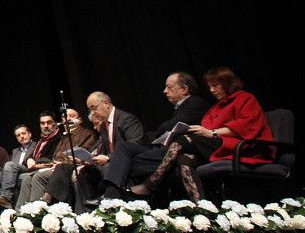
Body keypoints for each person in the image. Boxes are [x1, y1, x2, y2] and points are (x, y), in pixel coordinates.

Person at [130, 67, 273, 201]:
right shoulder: (217, 106)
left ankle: (151, 183)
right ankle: (203, 209)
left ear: (227, 83)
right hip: (218, 146)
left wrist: (212, 133)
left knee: (183, 139)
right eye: (210, 86)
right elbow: (207, 127)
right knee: (184, 159)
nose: (212, 90)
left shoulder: (245, 98)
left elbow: (247, 125)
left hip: (242, 147)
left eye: (215, 85)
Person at [97, 72, 210, 200]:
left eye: (169, 87)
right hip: (163, 150)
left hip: (177, 152)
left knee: (125, 162)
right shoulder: (180, 107)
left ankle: (113, 197)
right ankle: (113, 193)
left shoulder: (195, 103)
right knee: (124, 148)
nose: (165, 91)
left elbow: (172, 125)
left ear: (184, 89)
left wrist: (157, 132)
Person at [16, 108, 97, 206]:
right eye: (64, 117)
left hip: (72, 166)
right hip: (57, 166)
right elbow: (56, 155)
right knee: (27, 179)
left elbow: (84, 154)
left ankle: (38, 209)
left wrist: (60, 163)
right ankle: (20, 212)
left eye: (72, 116)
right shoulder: (64, 137)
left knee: (38, 177)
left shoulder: (86, 133)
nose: (67, 119)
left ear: (79, 119)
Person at [0, 124, 34, 210]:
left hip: (27, 170)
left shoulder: (36, 146)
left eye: (23, 133)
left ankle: (6, 197)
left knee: (9, 164)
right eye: (18, 135)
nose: (21, 136)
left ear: (29, 134)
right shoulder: (15, 151)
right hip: (14, 172)